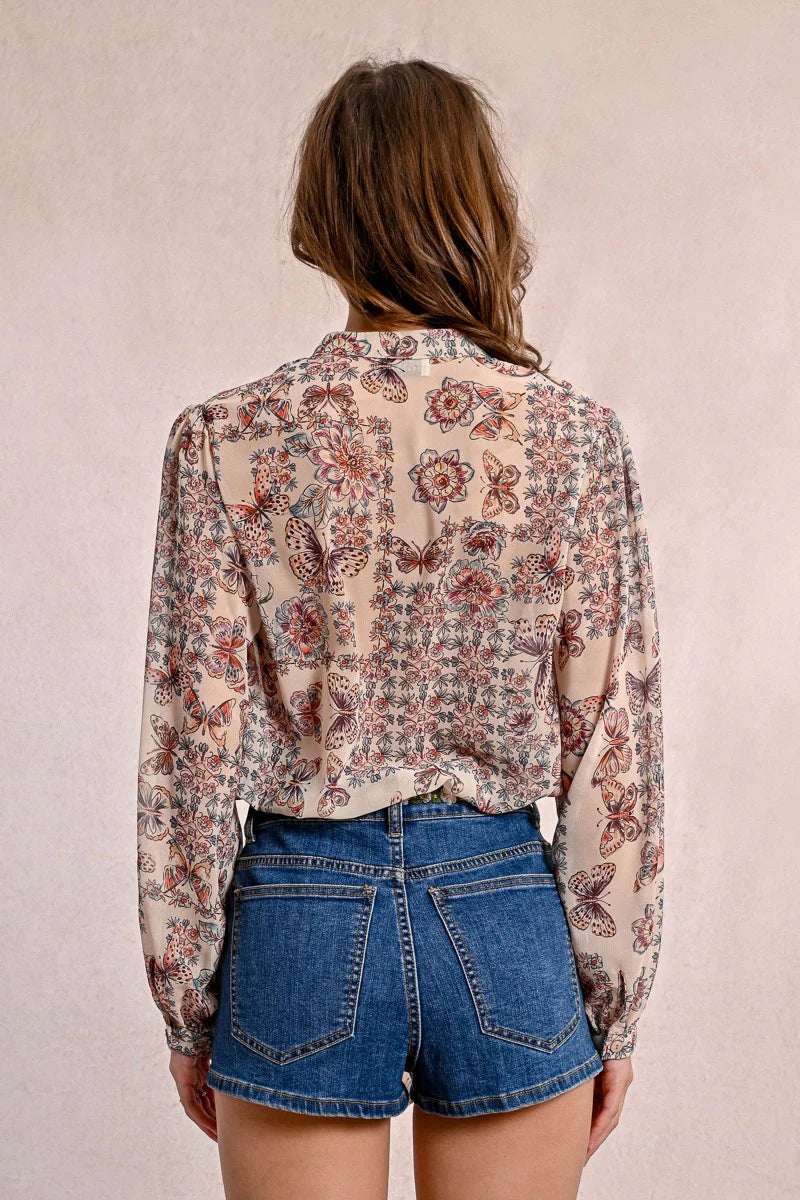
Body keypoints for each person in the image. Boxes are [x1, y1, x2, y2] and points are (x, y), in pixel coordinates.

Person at [136, 55, 664, 1200]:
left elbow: (190, 749)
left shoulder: (229, 438)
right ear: (479, 203)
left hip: (295, 915)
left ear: (322, 216)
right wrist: (610, 1007)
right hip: (502, 904)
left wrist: (188, 998)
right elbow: (609, 750)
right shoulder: (573, 439)